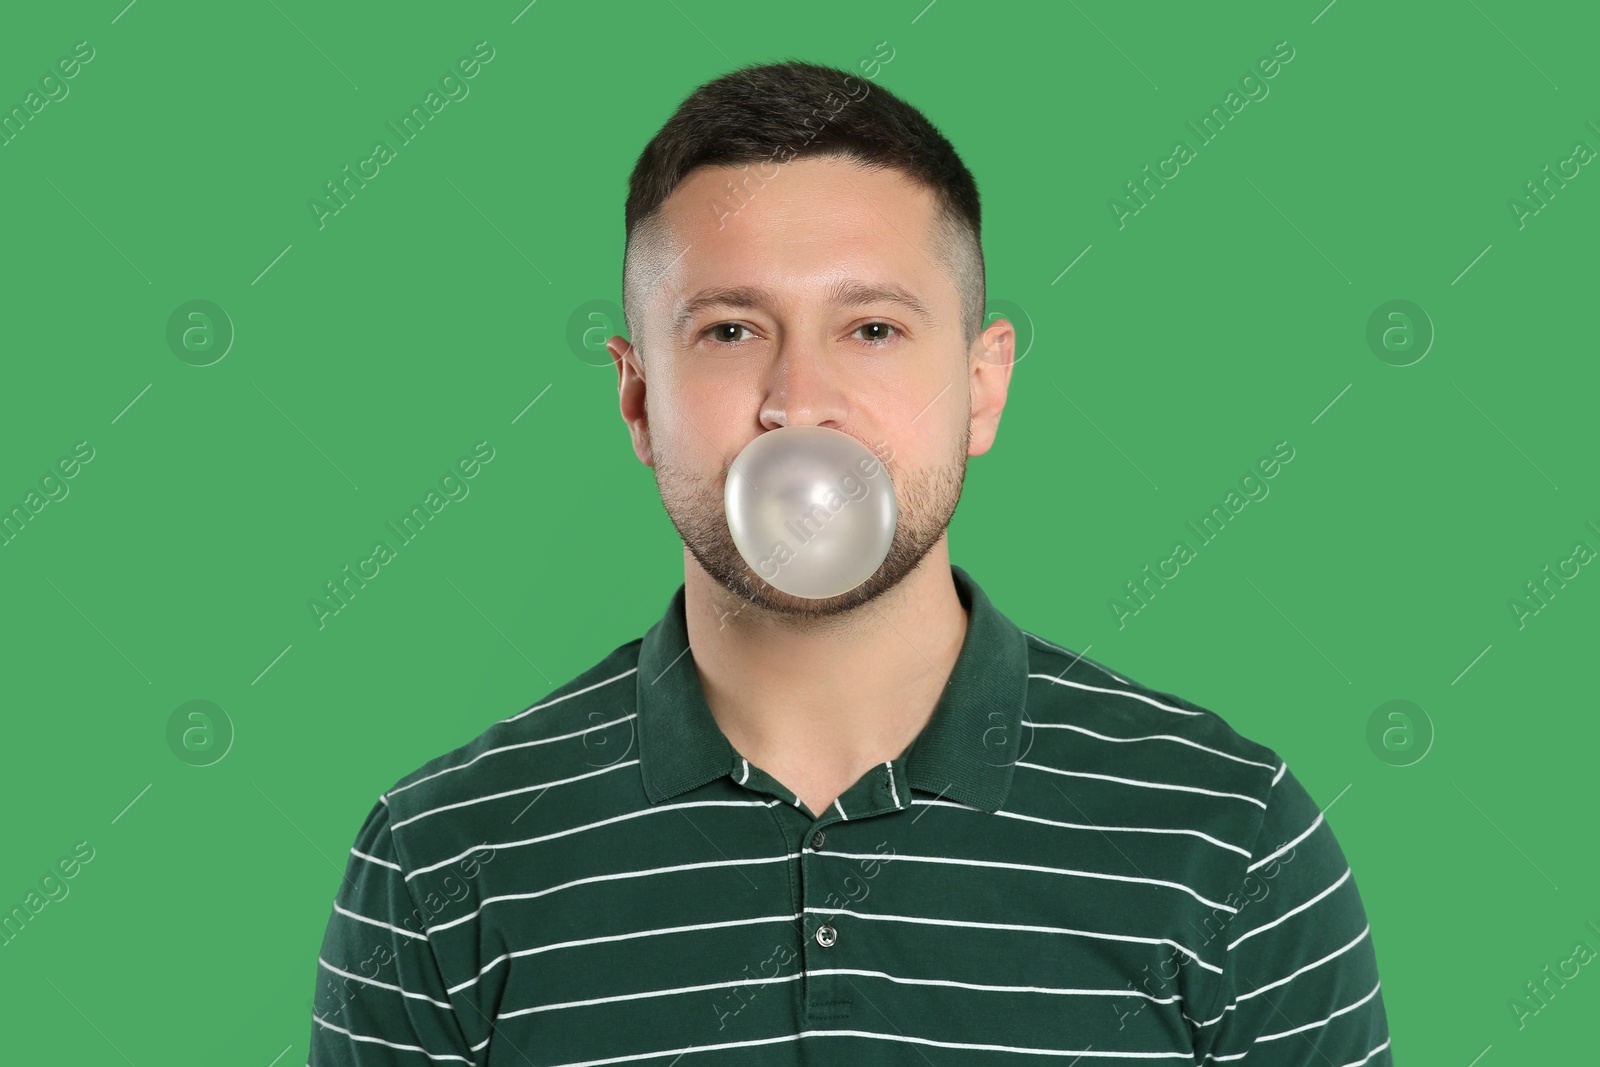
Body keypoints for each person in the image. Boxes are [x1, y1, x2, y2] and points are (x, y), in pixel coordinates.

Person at [307, 59, 1393, 1065]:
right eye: (731, 331)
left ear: (981, 383)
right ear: (638, 396)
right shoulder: (439, 862)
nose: (799, 403)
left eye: (871, 329)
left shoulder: (1227, 838)